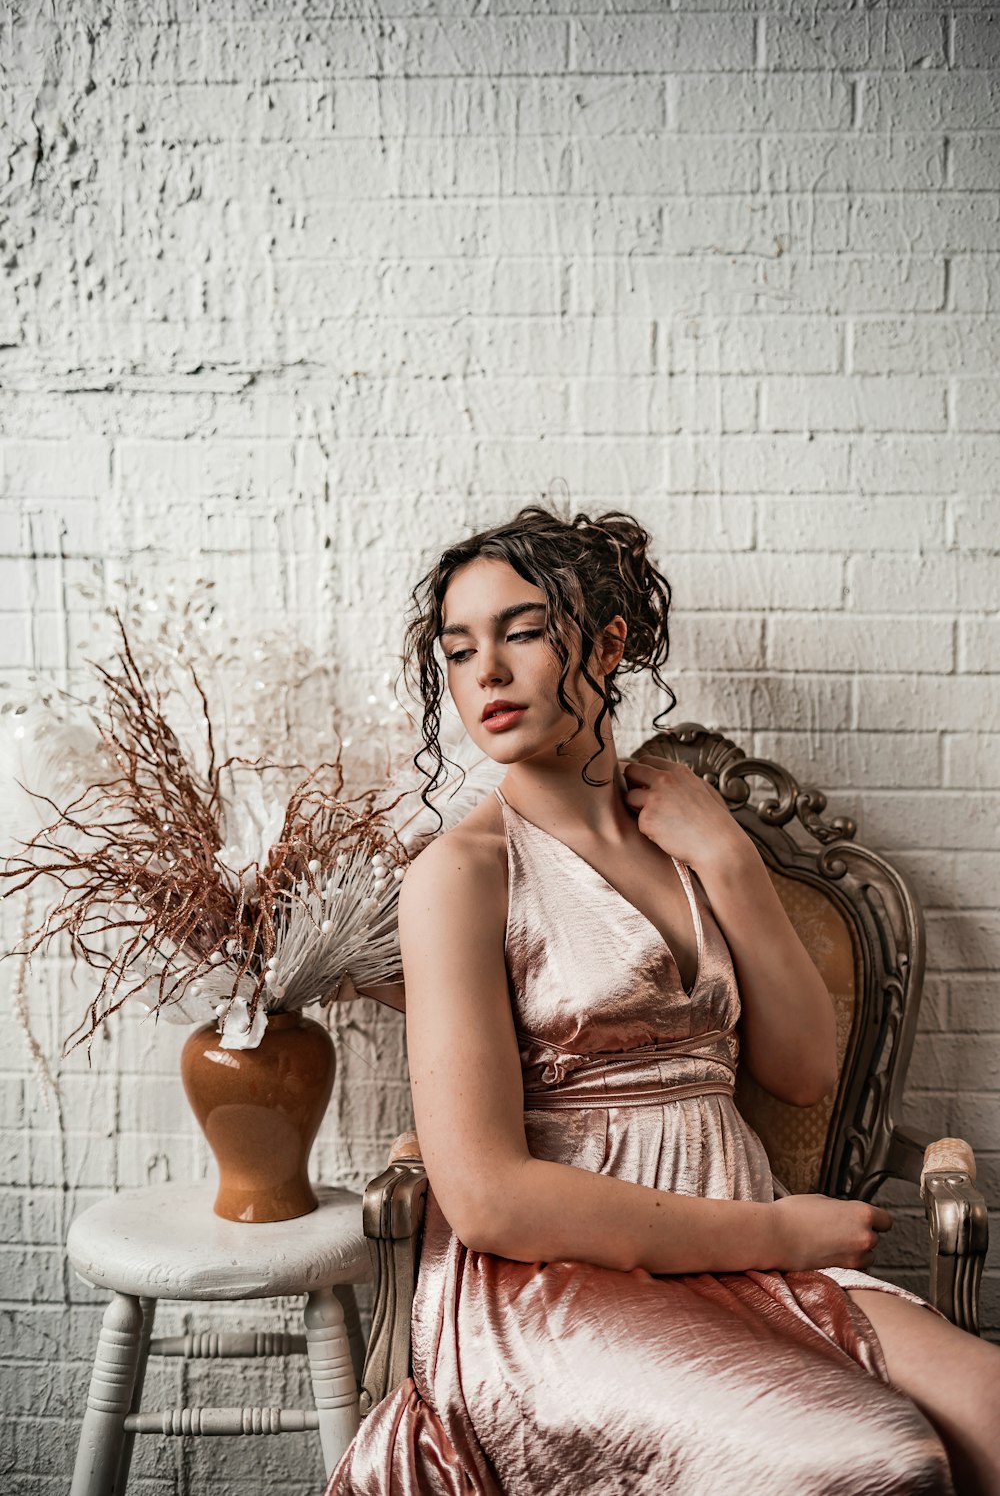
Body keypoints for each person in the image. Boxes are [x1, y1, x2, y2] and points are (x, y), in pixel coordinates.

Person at [328, 507, 1000, 1495]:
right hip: (555, 1282)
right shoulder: (461, 875)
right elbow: (487, 1199)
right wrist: (781, 1234)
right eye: (459, 648)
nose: (486, 674)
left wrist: (728, 857)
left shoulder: (684, 837)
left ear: (605, 644)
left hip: (739, 1247)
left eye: (521, 631)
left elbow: (804, 1069)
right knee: (879, 1458)